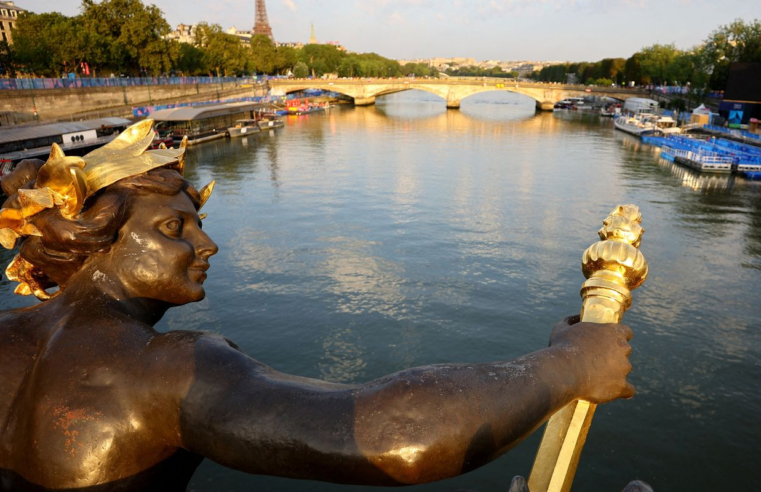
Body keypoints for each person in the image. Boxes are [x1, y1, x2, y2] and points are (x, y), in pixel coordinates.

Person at [0, 122, 634, 492]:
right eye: (174, 227)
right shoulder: (161, 369)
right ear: (97, 240)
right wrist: (571, 365)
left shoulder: (8, 340)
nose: (207, 241)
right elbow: (395, 435)